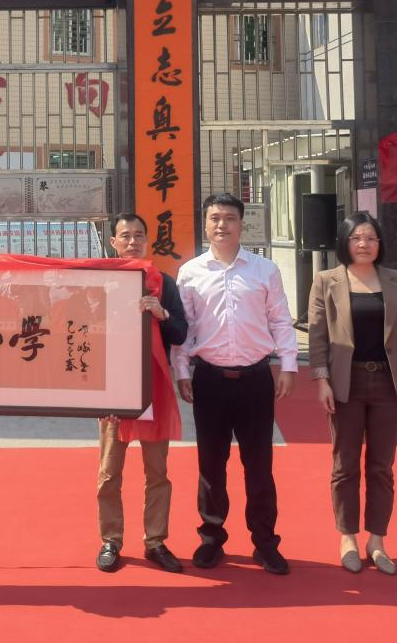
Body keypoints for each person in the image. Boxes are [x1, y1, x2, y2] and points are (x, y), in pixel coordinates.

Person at [173, 192, 299, 575]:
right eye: (215, 218)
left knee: (259, 465)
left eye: (229, 217)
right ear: (205, 224)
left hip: (255, 380)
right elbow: (185, 330)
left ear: (242, 224)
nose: (222, 224)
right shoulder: (190, 273)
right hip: (209, 380)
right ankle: (211, 538)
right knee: (211, 465)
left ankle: (265, 542)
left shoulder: (264, 270)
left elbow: (280, 320)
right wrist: (183, 372)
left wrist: (289, 365)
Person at [308, 211, 397, 576]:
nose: (364, 244)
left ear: (379, 243)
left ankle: (377, 540)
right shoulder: (326, 280)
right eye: (357, 237)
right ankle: (347, 538)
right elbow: (317, 336)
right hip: (347, 383)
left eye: (371, 238)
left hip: (390, 384)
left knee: (381, 467)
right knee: (344, 465)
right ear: (345, 242)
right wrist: (322, 380)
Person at [96, 213, 188, 574]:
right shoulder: (102, 281)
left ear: (147, 241)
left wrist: (161, 313)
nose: (132, 242)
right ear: (113, 243)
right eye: (125, 236)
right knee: (109, 472)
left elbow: (181, 333)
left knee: (157, 472)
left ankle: (155, 541)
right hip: (113, 388)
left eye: (138, 235)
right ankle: (111, 540)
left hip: (153, 388)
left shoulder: (163, 283)